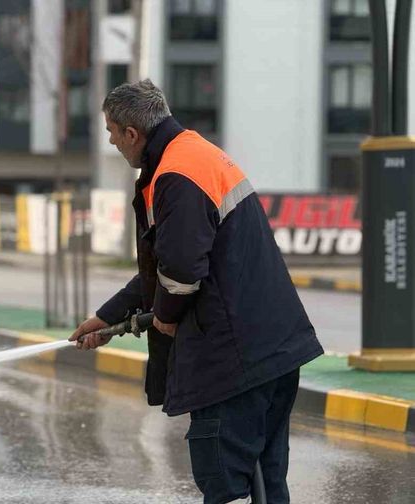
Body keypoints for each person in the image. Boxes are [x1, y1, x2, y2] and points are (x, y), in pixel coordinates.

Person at [69, 80, 323, 504]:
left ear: (133, 133)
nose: (111, 140)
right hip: (272, 351)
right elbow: (168, 266)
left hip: (234, 362)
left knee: (224, 483)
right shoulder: (193, 154)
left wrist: (166, 318)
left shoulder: (175, 174)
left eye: (112, 131)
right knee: (265, 484)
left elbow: (183, 272)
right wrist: (107, 317)